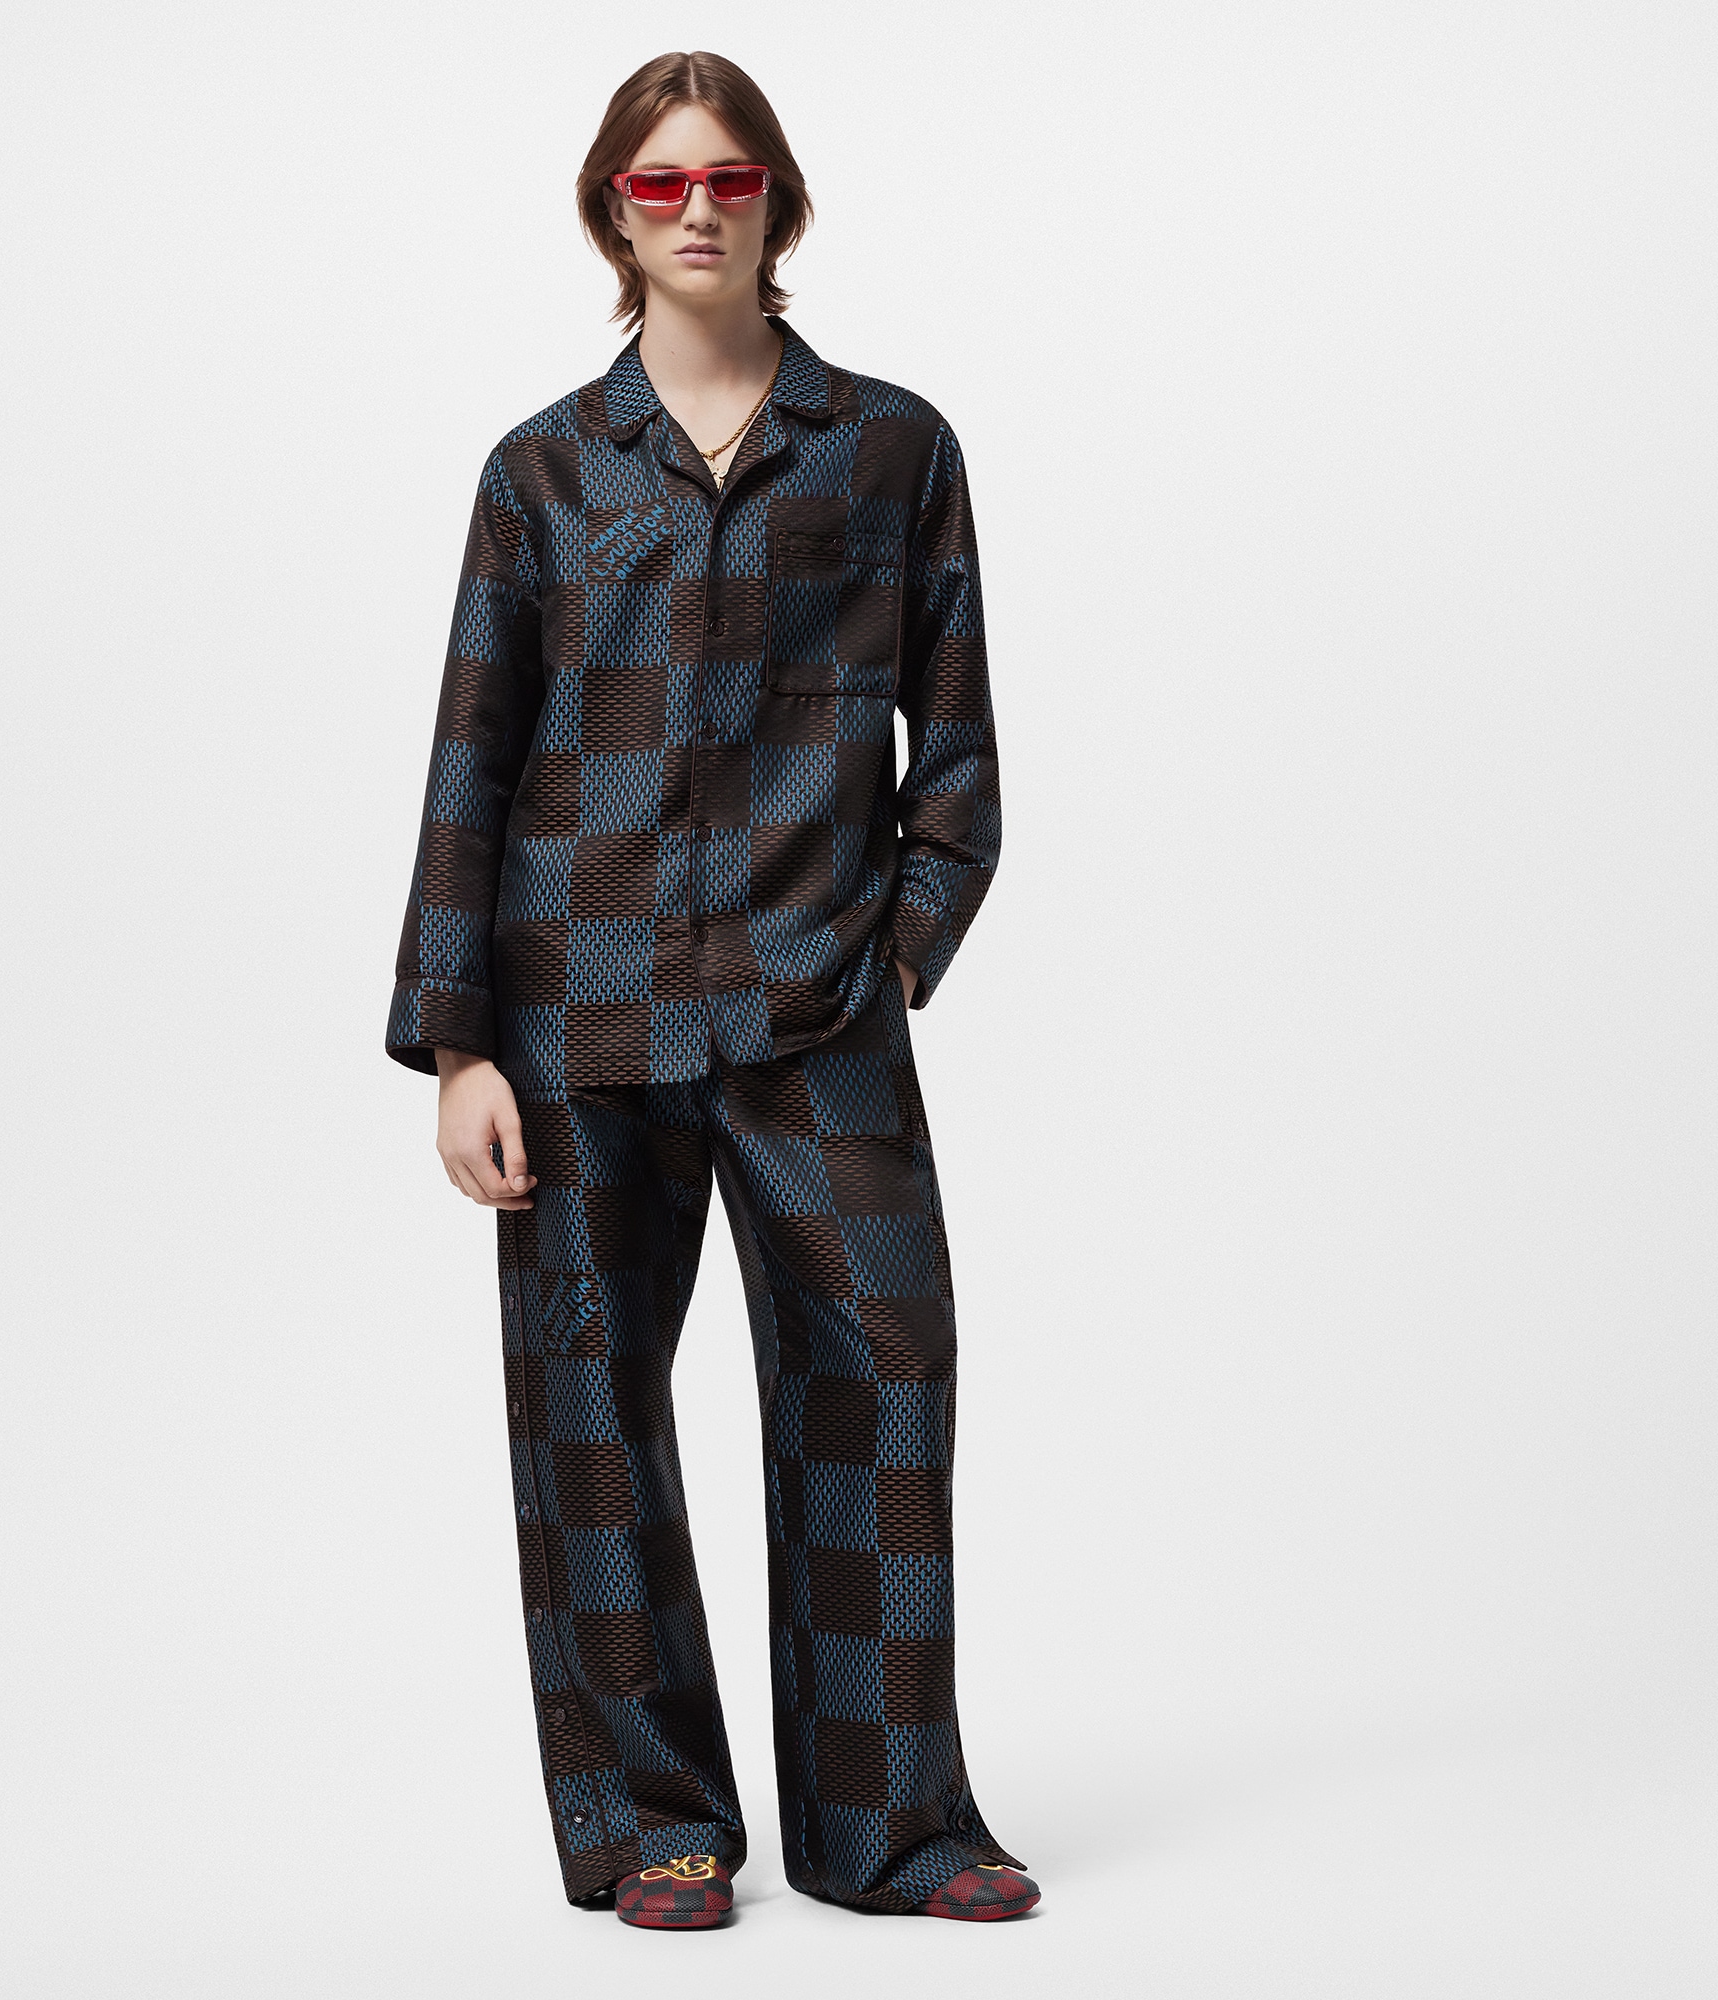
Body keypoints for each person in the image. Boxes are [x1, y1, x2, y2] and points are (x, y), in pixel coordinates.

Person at [388, 50, 1034, 1929]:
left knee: (883, 1380)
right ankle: (654, 1819)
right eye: (659, 182)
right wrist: (459, 1044)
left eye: (728, 179)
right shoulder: (541, 473)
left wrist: (892, 957)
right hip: (574, 1013)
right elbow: (471, 760)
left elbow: (960, 759)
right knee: (588, 1409)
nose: (695, 209)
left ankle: (893, 1829)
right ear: (613, 210)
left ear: (779, 203)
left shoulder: (894, 450)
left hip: (818, 1009)